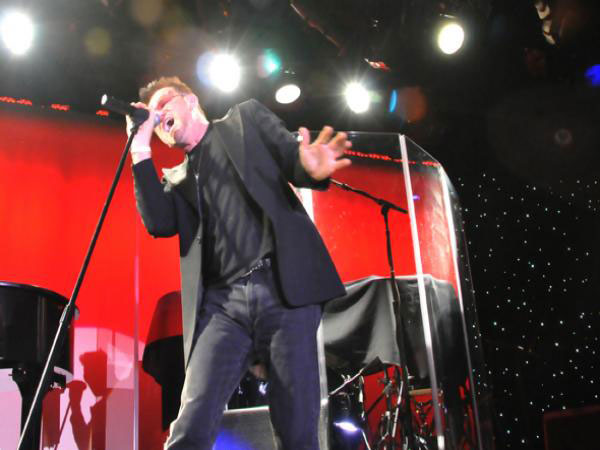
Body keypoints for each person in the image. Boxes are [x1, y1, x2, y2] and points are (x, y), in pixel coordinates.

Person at [127, 76, 351, 449]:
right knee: (190, 426)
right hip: (223, 306)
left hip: (282, 288)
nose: (158, 115)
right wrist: (139, 146)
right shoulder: (177, 179)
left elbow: (289, 156)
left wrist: (307, 167)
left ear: (190, 100)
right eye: (152, 114)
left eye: (164, 103)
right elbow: (158, 222)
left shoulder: (244, 119)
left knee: (296, 429)